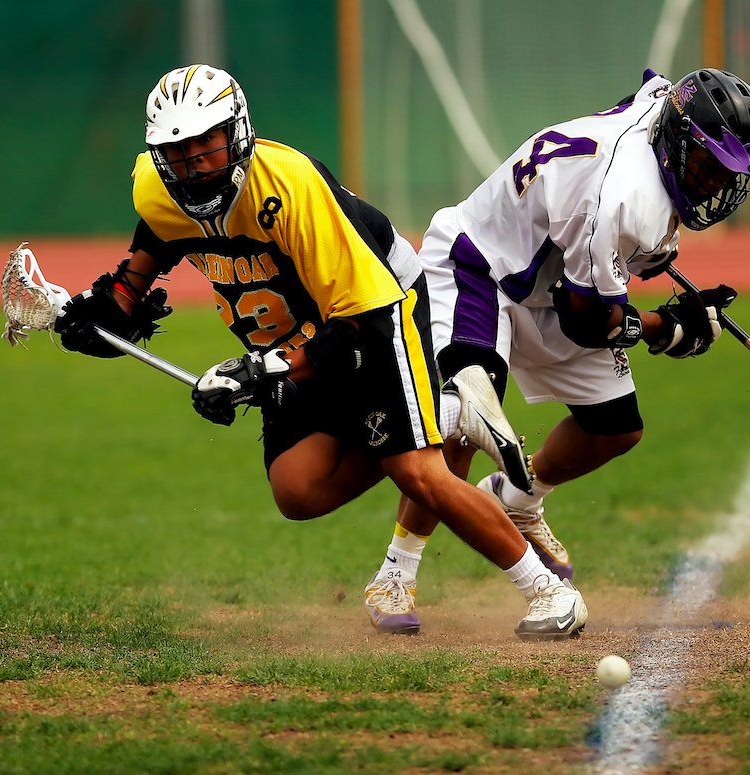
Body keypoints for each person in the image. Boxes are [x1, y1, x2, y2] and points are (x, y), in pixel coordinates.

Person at [53, 64, 587, 641]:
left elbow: (361, 321)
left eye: (206, 143)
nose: (195, 164)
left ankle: (549, 593)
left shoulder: (289, 188)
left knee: (414, 470)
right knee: (298, 489)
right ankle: (445, 414)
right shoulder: (158, 192)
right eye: (178, 152)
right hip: (291, 337)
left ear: (237, 132)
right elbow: (149, 253)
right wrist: (106, 309)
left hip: (379, 307)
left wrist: (262, 371)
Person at [363, 68, 750, 633]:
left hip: (548, 283)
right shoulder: (621, 198)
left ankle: (517, 497)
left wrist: (651, 275)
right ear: (676, 143)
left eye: (728, 175)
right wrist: (670, 329)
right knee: (465, 424)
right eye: (709, 166)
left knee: (616, 428)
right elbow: (589, 322)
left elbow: (647, 89)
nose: (715, 186)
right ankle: (395, 573)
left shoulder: (659, 115)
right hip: (480, 268)